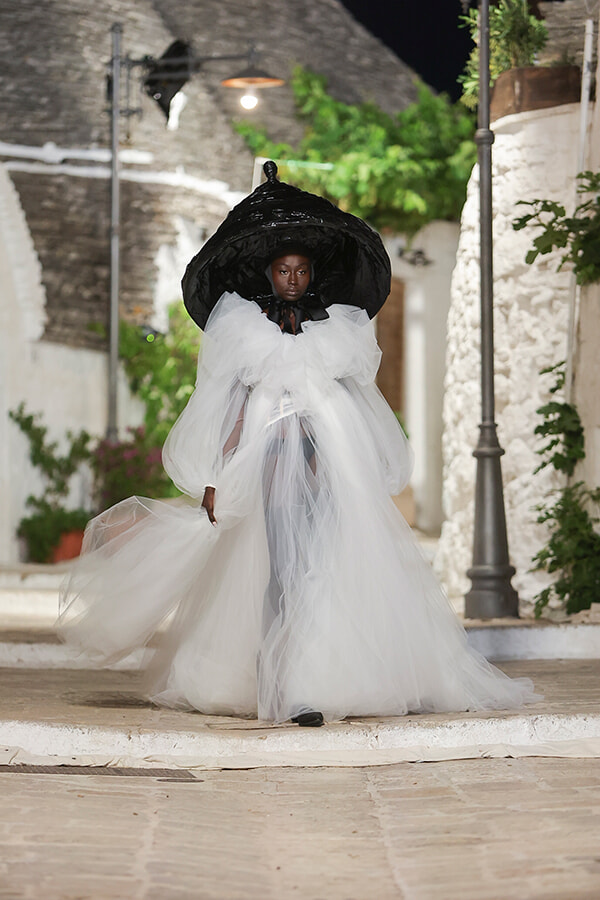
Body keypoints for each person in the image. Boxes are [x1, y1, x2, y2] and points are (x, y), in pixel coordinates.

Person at [58, 162, 538, 725]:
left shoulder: (335, 328)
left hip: (330, 463)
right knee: (284, 569)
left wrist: (357, 466)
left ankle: (319, 676)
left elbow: (355, 400)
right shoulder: (244, 328)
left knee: (325, 567)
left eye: (302, 270)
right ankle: (284, 686)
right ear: (269, 272)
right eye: (284, 269)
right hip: (265, 464)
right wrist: (216, 475)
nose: (293, 279)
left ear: (312, 274)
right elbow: (231, 406)